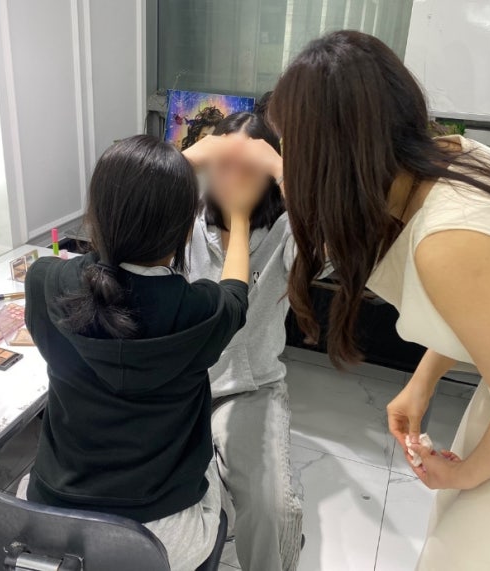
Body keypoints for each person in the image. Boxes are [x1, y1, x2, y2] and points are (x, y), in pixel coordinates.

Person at [234, 30, 490, 571]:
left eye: (291, 144)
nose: (286, 160)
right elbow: (489, 313)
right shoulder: (449, 155)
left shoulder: (447, 240)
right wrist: (422, 382)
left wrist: (464, 473)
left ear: (331, 152)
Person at [22, 135, 254, 571]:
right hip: (161, 539)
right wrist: (239, 219)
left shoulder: (45, 282)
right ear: (185, 230)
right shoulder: (200, 311)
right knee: (215, 469)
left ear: (95, 216)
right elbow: (236, 292)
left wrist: (159, 170)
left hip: (55, 522)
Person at [183, 112, 303, 571]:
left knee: (272, 509)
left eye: (247, 168)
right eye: (222, 164)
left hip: (251, 389)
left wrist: (282, 168)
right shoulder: (185, 219)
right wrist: (190, 158)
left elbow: (334, 254)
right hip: (181, 385)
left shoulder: (288, 230)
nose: (231, 179)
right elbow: (130, 200)